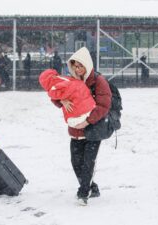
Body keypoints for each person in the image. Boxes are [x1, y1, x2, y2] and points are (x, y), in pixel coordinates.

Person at [51, 47, 112, 206]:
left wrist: (88, 121)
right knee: (75, 162)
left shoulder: (99, 81)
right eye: (74, 66)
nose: (77, 69)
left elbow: (104, 106)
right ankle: (93, 187)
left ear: (87, 65)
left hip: (93, 130)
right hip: (75, 130)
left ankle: (83, 192)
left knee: (88, 163)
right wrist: (61, 100)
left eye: (80, 66)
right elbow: (55, 93)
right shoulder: (70, 80)